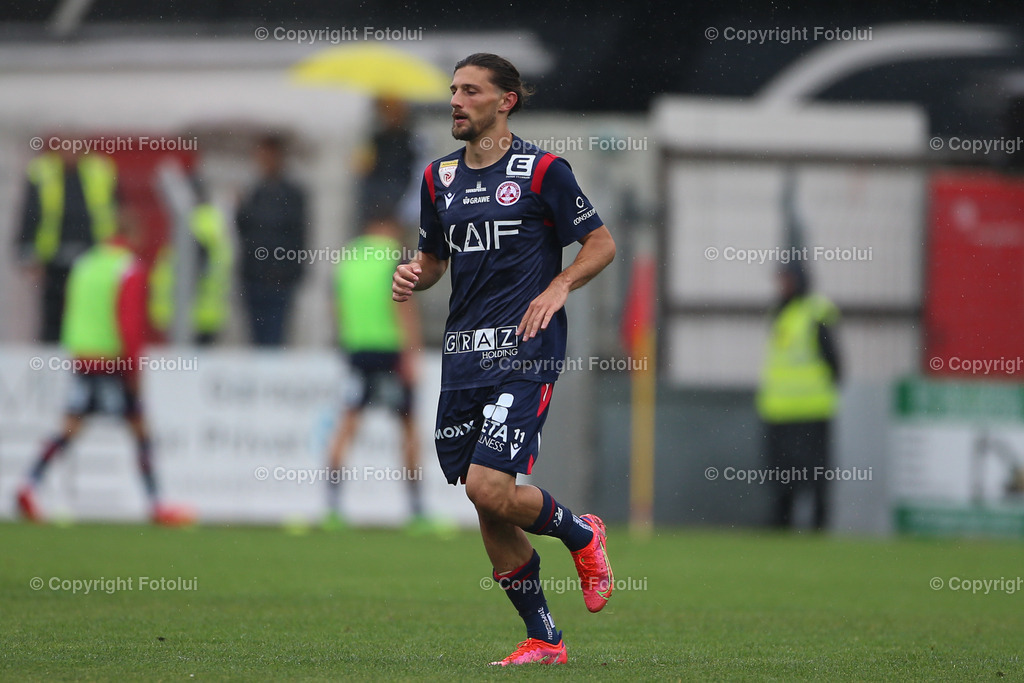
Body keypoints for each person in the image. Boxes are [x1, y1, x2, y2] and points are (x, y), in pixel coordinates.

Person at [392, 53, 617, 667]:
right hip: (463, 356)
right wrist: (416, 273)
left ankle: (582, 534)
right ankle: (545, 639)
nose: (456, 101)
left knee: (489, 485)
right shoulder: (437, 177)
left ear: (505, 101)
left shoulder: (543, 170)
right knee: (486, 501)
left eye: (471, 91)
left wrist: (560, 285)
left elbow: (601, 244)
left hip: (525, 349)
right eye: (453, 90)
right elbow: (435, 259)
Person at [16, 210, 191, 526]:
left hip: (83, 355)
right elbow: (130, 323)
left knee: (71, 426)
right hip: (112, 361)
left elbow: (73, 309)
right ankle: (157, 504)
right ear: (133, 235)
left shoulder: (84, 264)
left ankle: (29, 485)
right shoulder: (128, 269)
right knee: (139, 428)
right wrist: (134, 370)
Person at [325, 215, 426, 531]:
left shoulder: (348, 258)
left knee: (347, 425)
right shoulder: (393, 257)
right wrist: (411, 353)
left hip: (357, 351)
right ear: (387, 226)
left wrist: (348, 340)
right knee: (408, 428)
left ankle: (332, 509)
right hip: (391, 351)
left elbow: (336, 305)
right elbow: (402, 306)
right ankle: (417, 511)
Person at [755, 262, 842, 530]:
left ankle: (818, 525)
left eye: (786, 280)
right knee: (781, 473)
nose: (781, 286)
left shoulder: (815, 312)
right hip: (779, 408)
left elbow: (834, 361)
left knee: (815, 472)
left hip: (812, 409)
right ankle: (781, 524)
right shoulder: (779, 313)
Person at [16, 145, 118, 342]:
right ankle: (50, 355)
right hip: (54, 259)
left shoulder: (100, 170)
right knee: (53, 314)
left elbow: (116, 211)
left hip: (93, 257)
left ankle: (86, 351)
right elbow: (30, 213)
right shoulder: (42, 171)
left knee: (89, 310)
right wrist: (27, 252)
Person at [235, 134, 308, 346]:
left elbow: (295, 234)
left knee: (274, 339)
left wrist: (291, 272)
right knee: (257, 339)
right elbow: (244, 231)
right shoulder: (254, 192)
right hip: (253, 276)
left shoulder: (291, 194)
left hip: (279, 278)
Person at [149, 177, 233, 345]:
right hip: (205, 311)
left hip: (190, 311)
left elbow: (195, 266)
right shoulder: (212, 221)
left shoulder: (194, 221)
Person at [355, 97, 418, 227]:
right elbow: (366, 172)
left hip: (398, 202)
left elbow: (416, 175)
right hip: (377, 203)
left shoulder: (412, 140)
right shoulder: (376, 139)